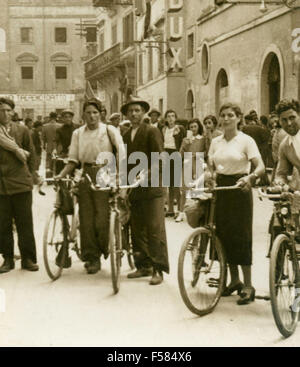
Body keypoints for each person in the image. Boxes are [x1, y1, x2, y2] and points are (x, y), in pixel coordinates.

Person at [55, 99, 125, 274]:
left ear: (101, 113)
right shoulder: (78, 133)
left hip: (105, 173)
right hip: (85, 174)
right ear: (83, 115)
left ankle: (104, 248)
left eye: (95, 112)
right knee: (85, 219)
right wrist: (61, 175)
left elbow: (122, 155)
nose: (92, 116)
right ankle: (92, 257)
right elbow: (73, 160)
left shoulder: (110, 130)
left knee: (102, 217)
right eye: (88, 112)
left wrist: (120, 179)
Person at [208, 102, 265, 305]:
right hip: (221, 190)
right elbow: (211, 167)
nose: (225, 119)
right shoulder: (215, 142)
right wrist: (210, 177)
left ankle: (248, 285)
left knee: (241, 236)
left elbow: (260, 167)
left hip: (240, 188)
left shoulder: (246, 140)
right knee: (222, 235)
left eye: (230, 115)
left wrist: (250, 178)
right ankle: (234, 281)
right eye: (223, 115)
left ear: (239, 118)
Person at [121, 97, 169, 285]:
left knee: (154, 228)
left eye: (137, 110)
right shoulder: (125, 135)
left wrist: (148, 173)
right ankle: (143, 265)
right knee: (136, 228)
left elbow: (159, 158)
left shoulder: (152, 131)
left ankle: (158, 269)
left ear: (144, 113)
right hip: (134, 189)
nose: (134, 114)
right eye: (131, 111)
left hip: (152, 187)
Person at [0, 97, 39, 273]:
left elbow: (32, 153)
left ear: (13, 112)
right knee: (3, 224)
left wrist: (31, 176)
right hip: (1, 185)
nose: (5, 114)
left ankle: (28, 259)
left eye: (8, 110)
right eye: (1, 110)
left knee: (25, 223)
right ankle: (7, 259)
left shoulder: (22, 130)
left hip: (21, 183)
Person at [178, 118, 205, 222]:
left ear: (198, 127)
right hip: (188, 164)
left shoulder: (202, 139)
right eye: (191, 127)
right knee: (184, 190)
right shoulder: (186, 140)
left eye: (195, 126)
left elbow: (206, 152)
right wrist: (186, 144)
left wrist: (198, 155)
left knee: (197, 190)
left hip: (198, 164)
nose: (193, 129)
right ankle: (181, 213)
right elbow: (180, 153)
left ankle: (197, 214)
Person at [162, 109, 185, 218]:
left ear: (175, 118)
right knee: (169, 184)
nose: (170, 118)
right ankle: (170, 209)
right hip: (166, 154)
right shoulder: (163, 129)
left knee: (176, 184)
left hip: (175, 153)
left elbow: (183, 143)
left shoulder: (179, 129)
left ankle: (180, 210)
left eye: (172, 116)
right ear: (166, 118)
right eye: (168, 116)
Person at [274, 99, 300, 190]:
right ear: (280, 122)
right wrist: (279, 183)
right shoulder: (285, 145)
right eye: (284, 120)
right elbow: (281, 173)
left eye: (292, 118)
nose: (289, 123)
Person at [243, 114, 270, 186]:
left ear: (247, 120)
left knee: (252, 166)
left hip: (251, 148)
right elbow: (266, 137)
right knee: (261, 165)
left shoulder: (245, 128)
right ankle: (264, 180)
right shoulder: (260, 128)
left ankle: (253, 181)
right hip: (261, 148)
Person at [55, 110, 79, 174]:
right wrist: (56, 150)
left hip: (77, 153)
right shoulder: (59, 130)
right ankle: (60, 182)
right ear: (62, 119)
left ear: (72, 118)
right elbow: (57, 142)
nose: (68, 119)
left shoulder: (78, 128)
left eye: (69, 117)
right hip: (65, 154)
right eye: (65, 117)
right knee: (59, 166)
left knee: (78, 173)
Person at [42, 112, 60, 178]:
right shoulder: (60, 126)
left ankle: (49, 178)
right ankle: (57, 177)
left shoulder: (45, 126)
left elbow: (43, 138)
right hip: (58, 147)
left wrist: (44, 146)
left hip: (49, 147)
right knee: (58, 163)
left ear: (50, 117)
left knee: (49, 163)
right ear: (56, 117)